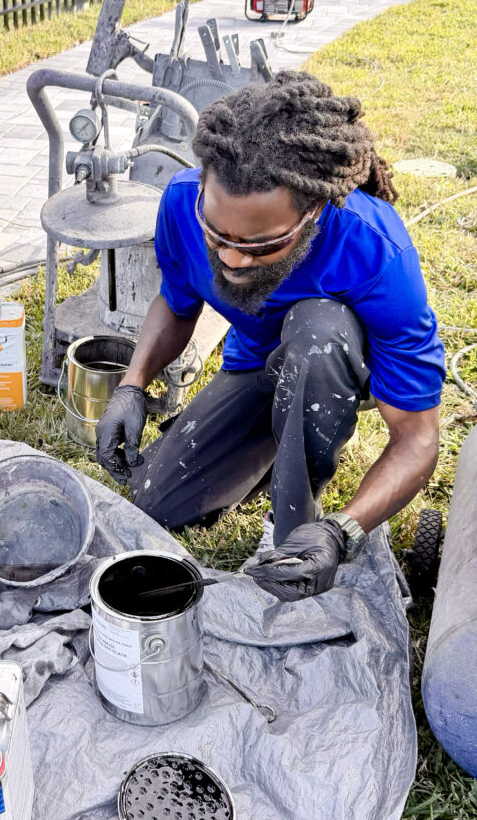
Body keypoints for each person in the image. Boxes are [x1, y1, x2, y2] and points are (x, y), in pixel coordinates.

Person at [95, 71, 445, 603]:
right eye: (219, 235)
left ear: (313, 212)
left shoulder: (373, 248)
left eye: (261, 245)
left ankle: (294, 528)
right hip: (258, 361)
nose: (233, 258)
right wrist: (133, 384)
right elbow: (177, 298)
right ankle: (270, 452)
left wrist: (341, 531)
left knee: (319, 332)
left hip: (337, 363)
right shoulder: (181, 203)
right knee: (153, 503)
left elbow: (417, 439)